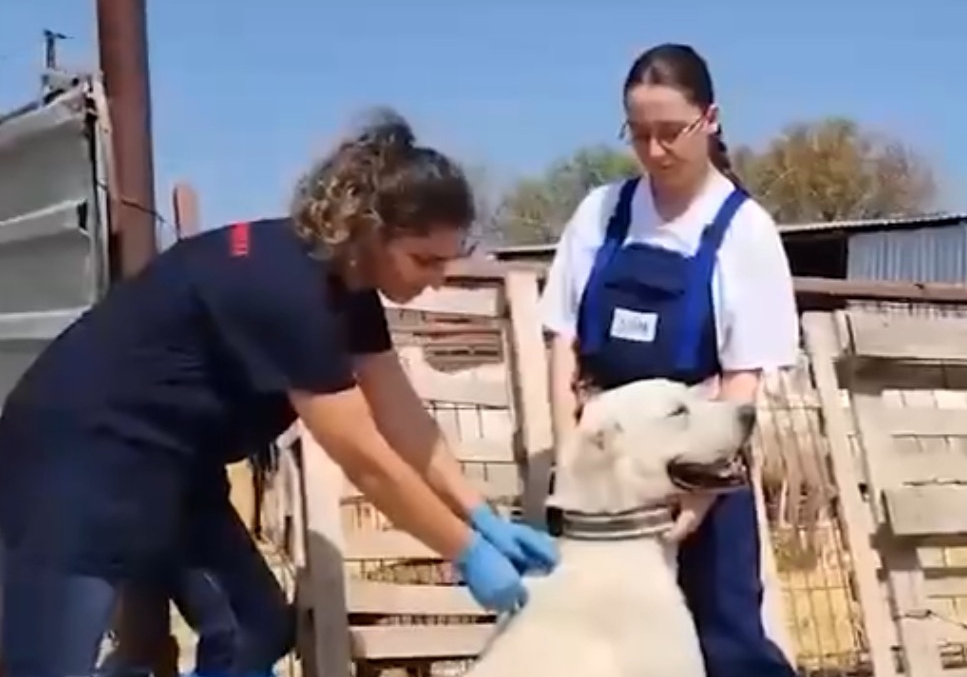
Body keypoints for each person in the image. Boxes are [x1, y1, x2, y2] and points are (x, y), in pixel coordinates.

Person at [0, 109, 558, 677]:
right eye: (424, 260)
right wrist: (465, 552)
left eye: (448, 259)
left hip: (173, 467)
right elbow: (368, 463)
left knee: (254, 629)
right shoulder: (291, 290)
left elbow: (403, 417)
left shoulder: (352, 286)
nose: (438, 277)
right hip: (73, 460)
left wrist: (483, 517)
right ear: (369, 230)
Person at [540, 44, 800, 677]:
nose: (654, 152)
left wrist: (703, 492)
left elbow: (743, 380)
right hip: (607, 475)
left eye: (669, 133)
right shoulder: (602, 213)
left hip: (697, 464)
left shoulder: (744, 231)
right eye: (638, 134)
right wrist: (571, 455)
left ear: (709, 119)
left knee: (725, 642)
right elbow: (561, 340)